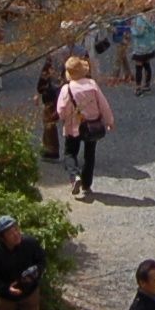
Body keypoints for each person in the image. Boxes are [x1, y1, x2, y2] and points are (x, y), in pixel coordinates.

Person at [55, 56, 113, 202]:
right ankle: (87, 184)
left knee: (70, 153)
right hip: (91, 124)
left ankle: (75, 176)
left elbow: (61, 110)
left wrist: (66, 117)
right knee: (90, 154)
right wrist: (109, 120)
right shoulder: (92, 84)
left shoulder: (67, 88)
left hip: (73, 125)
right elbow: (103, 104)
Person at [35, 56, 64, 162]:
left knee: (49, 122)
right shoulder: (77, 53)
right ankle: (72, 150)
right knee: (71, 122)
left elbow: (43, 79)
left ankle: (51, 150)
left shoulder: (52, 57)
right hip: (69, 93)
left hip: (51, 95)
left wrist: (39, 91)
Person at [127, 11, 155, 92]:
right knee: (147, 64)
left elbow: (138, 32)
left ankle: (138, 86)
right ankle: (147, 84)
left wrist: (131, 27)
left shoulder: (139, 18)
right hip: (150, 44)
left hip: (140, 46)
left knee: (139, 66)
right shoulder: (152, 16)